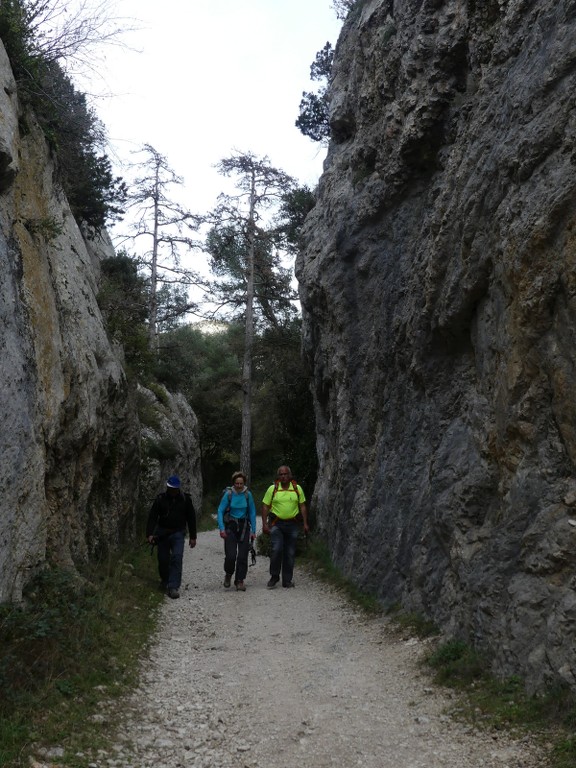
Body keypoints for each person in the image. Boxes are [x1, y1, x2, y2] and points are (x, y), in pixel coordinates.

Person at [146, 475, 197, 599]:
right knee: (163, 559)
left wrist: (193, 536)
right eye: (170, 488)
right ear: (167, 487)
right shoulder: (160, 499)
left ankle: (173, 586)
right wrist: (149, 534)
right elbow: (152, 517)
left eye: (175, 488)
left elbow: (191, 518)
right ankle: (165, 580)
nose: (173, 491)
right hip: (162, 533)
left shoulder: (185, 500)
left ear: (178, 488)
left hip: (178, 533)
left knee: (177, 557)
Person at [261, 465, 308, 589]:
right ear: (278, 476)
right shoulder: (273, 489)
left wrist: (305, 523)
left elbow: (302, 506)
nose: (283, 476)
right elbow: (265, 506)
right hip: (276, 524)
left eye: (285, 474)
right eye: (281, 474)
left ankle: (287, 580)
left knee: (290, 552)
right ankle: (274, 576)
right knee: (277, 549)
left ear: (290, 475)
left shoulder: (297, 489)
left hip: (292, 524)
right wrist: (265, 524)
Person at [217, 471, 257, 591]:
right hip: (231, 527)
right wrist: (222, 529)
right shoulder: (228, 494)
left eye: (241, 483)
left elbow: (252, 512)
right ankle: (228, 574)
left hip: (244, 527)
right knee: (231, 556)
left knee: (242, 556)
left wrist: (253, 531)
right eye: (236, 483)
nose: (239, 486)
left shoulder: (247, 495)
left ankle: (240, 580)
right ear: (233, 483)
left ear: (244, 483)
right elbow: (220, 511)